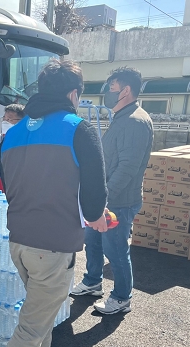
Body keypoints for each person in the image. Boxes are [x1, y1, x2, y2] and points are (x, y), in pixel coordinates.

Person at [0, 59, 108, 347]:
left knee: (39, 316)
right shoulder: (78, 129)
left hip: (21, 241)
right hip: (55, 246)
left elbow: (10, 187)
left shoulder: (12, 134)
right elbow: (96, 193)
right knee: (32, 326)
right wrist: (97, 218)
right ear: (73, 93)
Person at [71, 67, 153, 315]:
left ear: (125, 90)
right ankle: (92, 282)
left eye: (111, 87)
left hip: (118, 201)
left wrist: (104, 197)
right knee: (93, 241)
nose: (107, 92)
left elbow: (128, 166)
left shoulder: (135, 121)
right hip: (106, 198)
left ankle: (121, 297)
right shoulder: (122, 117)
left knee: (115, 250)